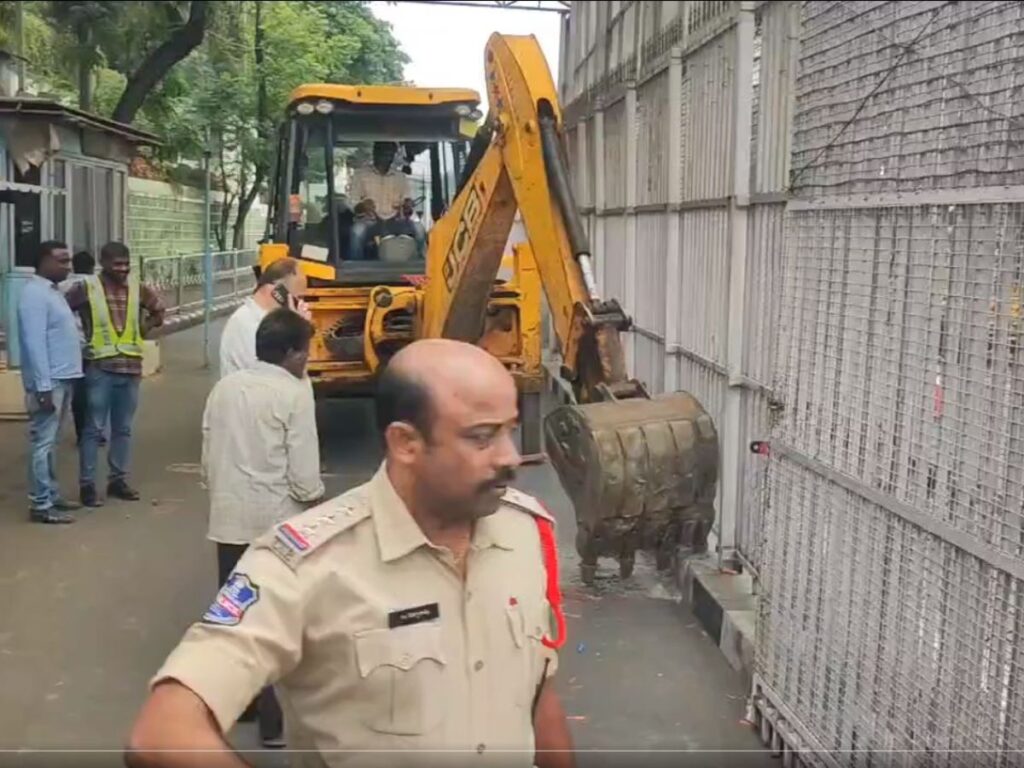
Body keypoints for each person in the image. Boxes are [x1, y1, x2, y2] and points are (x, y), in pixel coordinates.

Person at [126, 338, 575, 768]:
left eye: (510, 431)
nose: (510, 457)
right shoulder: (303, 565)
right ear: (405, 443)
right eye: (482, 437)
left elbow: (536, 692)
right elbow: (165, 731)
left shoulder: (524, 532)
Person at [201, 308, 324, 748]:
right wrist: (314, 503)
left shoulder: (224, 389)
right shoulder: (293, 393)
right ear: (290, 354)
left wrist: (220, 491)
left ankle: (241, 702)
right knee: (277, 621)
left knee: (234, 615)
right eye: (305, 353)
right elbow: (304, 471)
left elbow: (207, 451)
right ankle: (274, 723)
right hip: (277, 524)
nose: (307, 360)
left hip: (228, 520)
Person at [65, 241, 164, 508]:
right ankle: (87, 485)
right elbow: (63, 312)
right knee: (93, 430)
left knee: (123, 429)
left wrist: (144, 328)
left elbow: (159, 310)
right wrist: (77, 340)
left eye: (126, 264)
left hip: (130, 369)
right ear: (104, 263)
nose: (123, 269)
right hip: (100, 369)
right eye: (117, 264)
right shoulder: (86, 288)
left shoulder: (138, 289)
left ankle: (117, 480)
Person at [17, 240, 83, 524]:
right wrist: (43, 386)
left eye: (68, 260)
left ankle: (52, 495)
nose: (67, 266)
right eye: (61, 260)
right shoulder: (34, 294)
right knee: (42, 443)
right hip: (49, 382)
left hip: (63, 377)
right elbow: (34, 344)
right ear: (44, 261)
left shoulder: (53, 292)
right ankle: (40, 504)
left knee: (51, 442)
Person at [219, 257, 310, 379]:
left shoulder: (268, 324)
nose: (301, 304)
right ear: (278, 293)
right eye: (297, 299)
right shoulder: (247, 324)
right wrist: (296, 331)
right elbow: (281, 377)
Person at [347, 142, 426, 259]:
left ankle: (424, 266)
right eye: (384, 154)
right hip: (371, 220)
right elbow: (352, 202)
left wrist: (407, 206)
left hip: (395, 219)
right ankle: (355, 269)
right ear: (375, 153)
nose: (387, 158)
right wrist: (362, 206)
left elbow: (407, 201)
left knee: (419, 230)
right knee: (356, 232)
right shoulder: (361, 175)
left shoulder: (400, 177)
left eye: (390, 154)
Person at [60, 250, 106, 448]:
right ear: (91, 266)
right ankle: (97, 431)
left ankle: (82, 433)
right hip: (95, 345)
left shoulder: (61, 286)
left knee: (78, 394)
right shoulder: (97, 285)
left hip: (71, 346)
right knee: (97, 390)